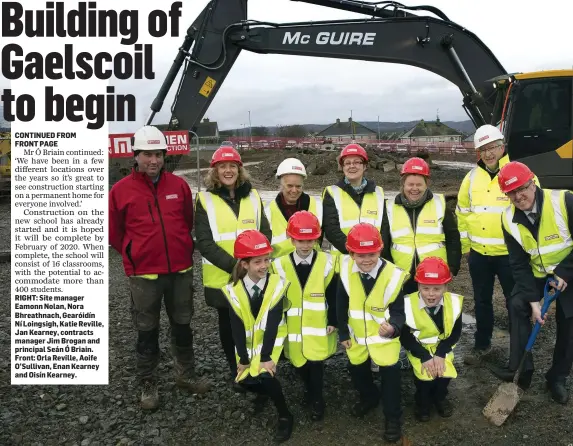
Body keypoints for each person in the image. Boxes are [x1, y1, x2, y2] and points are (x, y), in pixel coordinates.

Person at [109, 125, 209, 410]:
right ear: (136, 156)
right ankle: (148, 382)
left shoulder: (178, 186)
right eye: (147, 154)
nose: (153, 160)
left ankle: (185, 375)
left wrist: (182, 249)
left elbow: (186, 221)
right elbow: (114, 232)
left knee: (183, 325)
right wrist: (133, 255)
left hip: (179, 271)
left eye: (158, 154)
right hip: (144, 276)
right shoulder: (120, 191)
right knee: (146, 329)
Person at [491, 161, 573, 404]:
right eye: (512, 193)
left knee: (569, 320)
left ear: (533, 183)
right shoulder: (508, 219)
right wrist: (533, 300)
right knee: (517, 304)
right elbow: (517, 263)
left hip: (569, 270)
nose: (519, 196)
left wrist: (563, 273)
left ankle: (557, 377)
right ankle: (521, 370)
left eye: (523, 188)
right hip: (537, 274)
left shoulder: (564, 201)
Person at [456, 124, 538, 365]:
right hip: (480, 255)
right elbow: (462, 213)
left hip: (511, 256)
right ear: (478, 152)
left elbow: (536, 210)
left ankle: (519, 348)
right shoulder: (471, 178)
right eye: (483, 149)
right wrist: (466, 248)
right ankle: (482, 343)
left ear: (502, 146)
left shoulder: (520, 172)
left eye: (493, 147)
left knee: (515, 302)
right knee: (481, 301)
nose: (489, 153)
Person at [195, 146, 272, 391]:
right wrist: (238, 267)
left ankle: (257, 363)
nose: (228, 170)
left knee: (255, 322)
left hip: (254, 275)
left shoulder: (254, 197)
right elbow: (205, 243)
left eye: (232, 166)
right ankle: (236, 368)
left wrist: (254, 265)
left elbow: (265, 232)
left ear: (240, 170)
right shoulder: (204, 200)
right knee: (230, 325)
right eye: (222, 166)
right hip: (224, 278)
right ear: (215, 171)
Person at [336, 222, 410, 442]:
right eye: (360, 255)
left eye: (371, 254)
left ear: (380, 250)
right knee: (357, 371)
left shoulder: (393, 275)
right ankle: (369, 397)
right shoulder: (346, 270)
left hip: (384, 339)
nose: (366, 260)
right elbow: (340, 303)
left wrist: (394, 328)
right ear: (350, 253)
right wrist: (343, 333)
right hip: (357, 337)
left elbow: (398, 312)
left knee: (391, 380)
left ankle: (392, 418)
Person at [221, 230, 294, 442]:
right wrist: (243, 359)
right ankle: (262, 393)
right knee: (243, 379)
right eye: (257, 262)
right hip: (249, 341)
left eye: (267, 260)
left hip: (271, 340)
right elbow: (235, 324)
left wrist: (266, 357)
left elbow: (272, 323)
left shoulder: (276, 284)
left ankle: (285, 415)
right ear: (244, 264)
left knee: (265, 375)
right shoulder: (234, 289)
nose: (264, 266)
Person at [271, 210, 337, 421]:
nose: (306, 245)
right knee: (299, 362)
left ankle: (318, 399)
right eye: (300, 240)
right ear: (291, 239)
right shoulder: (279, 265)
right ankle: (308, 390)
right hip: (293, 328)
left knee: (317, 365)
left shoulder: (327, 262)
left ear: (317, 238)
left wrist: (334, 320)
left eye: (310, 240)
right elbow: (275, 298)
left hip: (319, 327)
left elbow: (333, 293)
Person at [383, 157, 461, 295]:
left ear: (427, 184)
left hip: (434, 276)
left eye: (419, 184)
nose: (414, 189)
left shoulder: (440, 204)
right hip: (401, 275)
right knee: (405, 313)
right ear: (403, 185)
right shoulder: (389, 207)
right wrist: (389, 270)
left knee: (432, 314)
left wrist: (452, 267)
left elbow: (453, 238)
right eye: (410, 184)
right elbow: (384, 242)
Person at [400, 257, 463, 421]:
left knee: (444, 375)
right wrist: (425, 357)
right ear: (418, 285)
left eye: (437, 289)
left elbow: (455, 333)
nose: (431, 294)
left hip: (442, 348)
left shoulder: (454, 303)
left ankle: (440, 398)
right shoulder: (406, 304)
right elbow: (405, 337)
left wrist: (441, 354)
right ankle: (422, 403)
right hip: (418, 348)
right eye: (425, 288)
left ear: (446, 287)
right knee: (425, 379)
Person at [322, 143, 385, 256]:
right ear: (342, 167)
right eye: (347, 163)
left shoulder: (379, 192)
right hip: (343, 260)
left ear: (364, 166)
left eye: (357, 162)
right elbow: (331, 230)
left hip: (373, 259)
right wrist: (356, 251)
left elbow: (384, 229)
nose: (352, 166)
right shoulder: (331, 193)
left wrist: (372, 254)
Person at [265, 158, 323, 258]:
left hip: (312, 265)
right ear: (281, 184)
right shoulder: (268, 211)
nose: (294, 190)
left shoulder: (317, 206)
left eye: (298, 186)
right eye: (290, 186)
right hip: (281, 268)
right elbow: (266, 243)